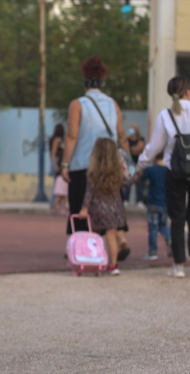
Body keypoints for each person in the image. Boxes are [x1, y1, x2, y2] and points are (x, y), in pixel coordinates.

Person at [140, 76, 190, 278]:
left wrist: (139, 164)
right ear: (189, 91)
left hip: (174, 171)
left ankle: (178, 265)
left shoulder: (166, 116)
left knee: (177, 218)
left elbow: (155, 147)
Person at [59, 56, 131, 261]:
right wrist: (129, 163)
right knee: (111, 205)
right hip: (110, 166)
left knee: (81, 205)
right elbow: (121, 135)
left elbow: (72, 135)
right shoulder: (112, 104)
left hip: (83, 164)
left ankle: (83, 249)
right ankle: (115, 240)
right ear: (102, 81)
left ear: (84, 82)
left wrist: (65, 164)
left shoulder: (78, 104)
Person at [77, 138, 129, 275]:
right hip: (115, 209)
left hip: (97, 209)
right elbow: (127, 182)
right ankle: (113, 266)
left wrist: (84, 209)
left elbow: (89, 193)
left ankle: (94, 261)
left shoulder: (93, 173)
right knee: (111, 237)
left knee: (94, 237)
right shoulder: (118, 172)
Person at [137, 156, 171, 260]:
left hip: (153, 202)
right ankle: (169, 239)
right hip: (165, 203)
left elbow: (140, 178)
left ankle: (153, 251)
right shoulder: (168, 171)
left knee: (153, 227)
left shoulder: (151, 169)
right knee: (163, 225)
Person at [127, 124, 147, 207]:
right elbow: (126, 149)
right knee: (128, 181)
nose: (131, 129)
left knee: (139, 181)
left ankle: (139, 200)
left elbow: (140, 149)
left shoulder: (141, 139)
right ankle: (125, 199)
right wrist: (134, 150)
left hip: (139, 164)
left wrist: (131, 150)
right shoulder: (127, 139)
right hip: (130, 164)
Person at [50, 124, 68, 215]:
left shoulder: (60, 140)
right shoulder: (57, 140)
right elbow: (53, 154)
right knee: (58, 188)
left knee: (61, 189)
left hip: (59, 164)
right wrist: (56, 166)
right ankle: (54, 206)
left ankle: (61, 207)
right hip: (58, 164)